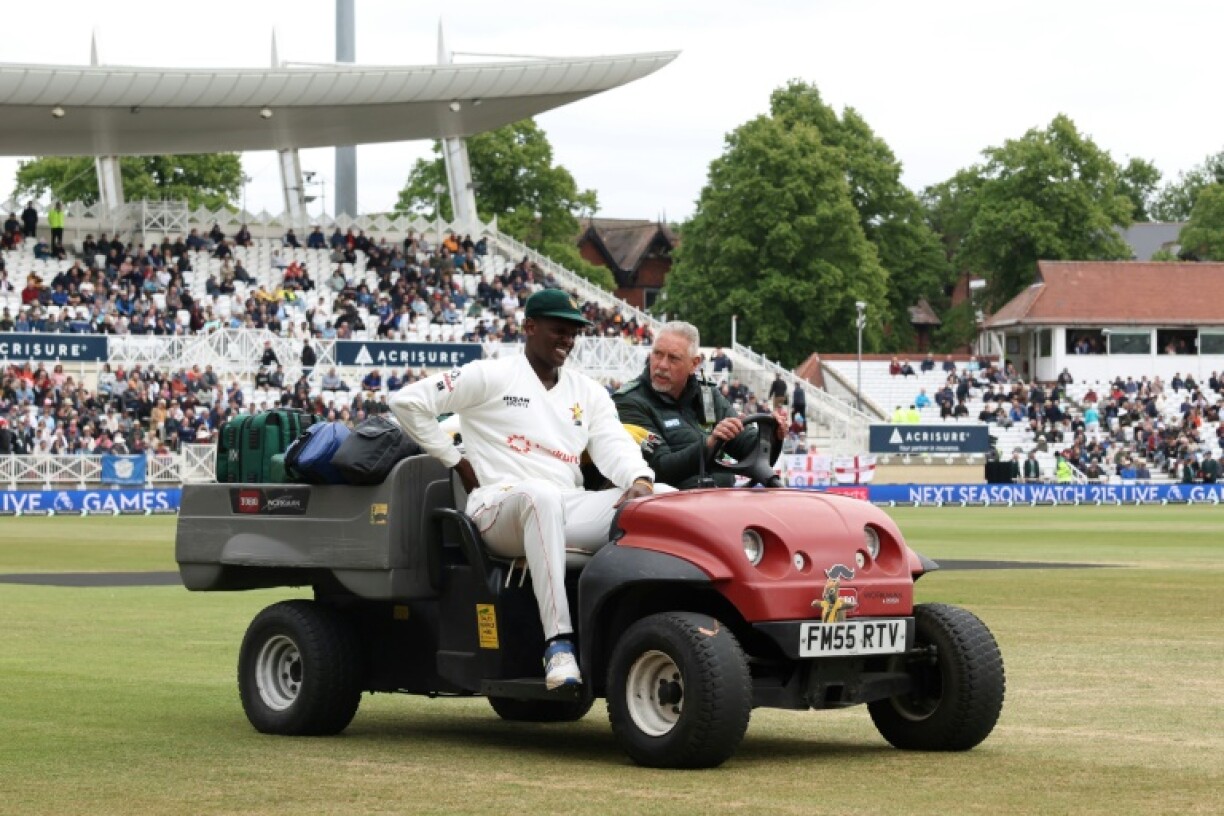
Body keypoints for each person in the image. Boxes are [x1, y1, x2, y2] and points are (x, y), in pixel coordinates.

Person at [391, 289, 656, 690]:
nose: (567, 339)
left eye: (574, 332)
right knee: (540, 497)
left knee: (665, 497)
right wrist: (455, 460)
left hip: (568, 505)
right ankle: (559, 646)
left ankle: (654, 630)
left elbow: (613, 446)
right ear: (529, 327)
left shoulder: (589, 392)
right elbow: (408, 402)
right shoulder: (491, 375)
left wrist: (640, 480)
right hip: (497, 507)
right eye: (558, 330)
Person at [613, 321, 786, 490]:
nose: (662, 365)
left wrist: (772, 436)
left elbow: (747, 448)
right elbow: (657, 469)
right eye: (658, 354)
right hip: (672, 506)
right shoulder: (630, 401)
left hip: (721, 500)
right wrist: (709, 444)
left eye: (673, 358)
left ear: (694, 364)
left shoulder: (707, 394)